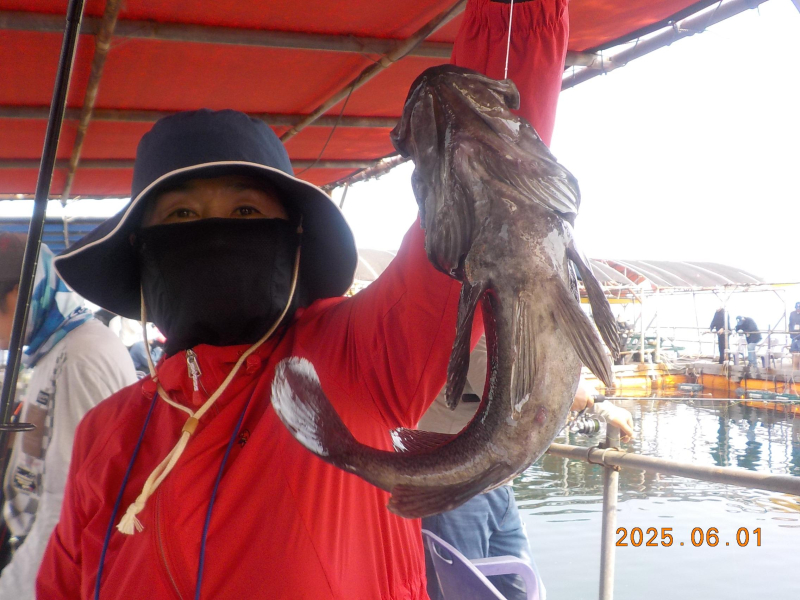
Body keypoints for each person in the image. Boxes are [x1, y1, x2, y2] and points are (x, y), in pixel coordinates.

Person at [37, 2, 571, 596]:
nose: (213, 234)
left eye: (245, 210)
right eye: (181, 216)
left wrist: (513, 20)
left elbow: (486, 198)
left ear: (294, 240)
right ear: (142, 252)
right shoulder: (105, 431)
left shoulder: (358, 356)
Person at [418, 338, 633, 600]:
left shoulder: (502, 331)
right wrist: (593, 403)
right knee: (463, 592)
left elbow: (543, 370)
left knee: (526, 590)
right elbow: (511, 388)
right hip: (456, 487)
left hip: (497, 484)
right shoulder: (470, 330)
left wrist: (595, 401)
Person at [0, 234, 136, 599]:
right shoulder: (55, 349)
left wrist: (15, 589)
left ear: (17, 296)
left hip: (47, 575)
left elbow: (67, 502)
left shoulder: (81, 357)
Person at [790, 302, 800, 371]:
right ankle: (794, 370)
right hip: (794, 336)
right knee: (794, 352)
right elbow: (790, 324)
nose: (798, 309)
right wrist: (791, 333)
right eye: (797, 308)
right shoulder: (792, 314)